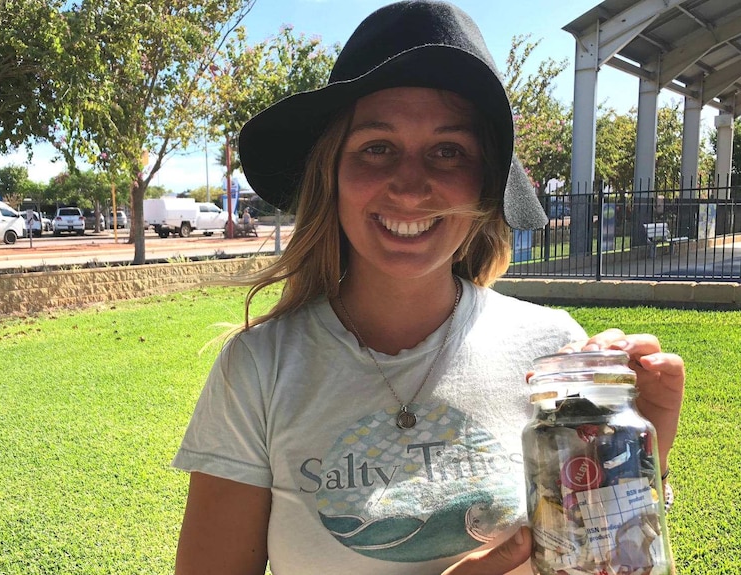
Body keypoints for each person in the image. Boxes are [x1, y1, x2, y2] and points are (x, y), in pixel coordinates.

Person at [172, 2, 685, 574]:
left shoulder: (555, 355)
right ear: (332, 174)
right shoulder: (258, 370)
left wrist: (639, 463)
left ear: (486, 183)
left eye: (448, 151)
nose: (411, 186)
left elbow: (603, 562)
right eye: (376, 147)